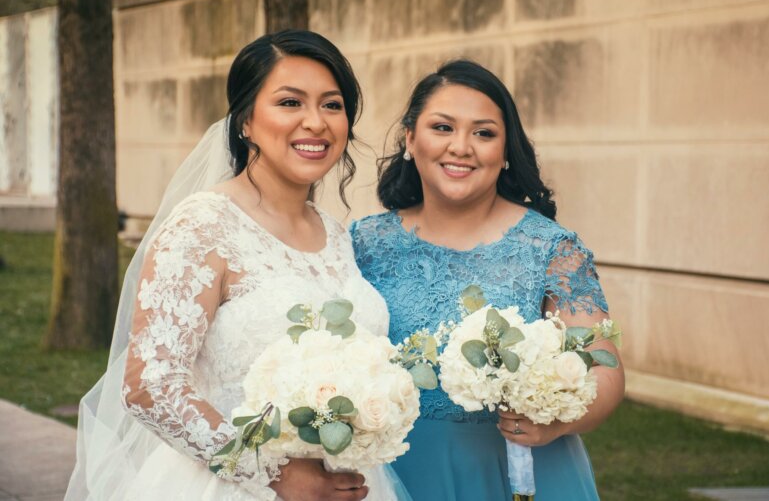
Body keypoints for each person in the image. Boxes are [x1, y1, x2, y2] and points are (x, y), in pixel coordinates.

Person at [65, 30, 410, 501]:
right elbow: (150, 385)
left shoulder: (334, 235)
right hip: (228, 485)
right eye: (290, 103)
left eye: (332, 105)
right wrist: (271, 472)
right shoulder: (205, 225)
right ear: (245, 120)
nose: (316, 122)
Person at [350, 60, 625, 500]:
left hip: (522, 468)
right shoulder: (362, 244)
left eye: (483, 133)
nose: (461, 147)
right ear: (410, 139)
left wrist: (555, 420)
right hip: (398, 472)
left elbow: (605, 369)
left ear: (505, 150)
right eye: (442, 128)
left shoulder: (551, 249)